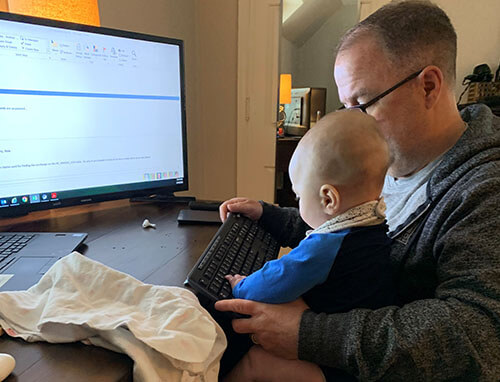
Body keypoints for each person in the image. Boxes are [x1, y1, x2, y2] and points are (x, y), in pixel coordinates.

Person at [215, 1, 500, 380]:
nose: (352, 123)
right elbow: (346, 234)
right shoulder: (390, 163)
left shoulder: (484, 190)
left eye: (362, 104)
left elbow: (476, 334)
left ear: (428, 86)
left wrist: (306, 334)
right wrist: (272, 216)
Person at [224, 110, 395, 381]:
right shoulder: (372, 225)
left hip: (339, 371)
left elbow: (277, 277)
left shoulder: (329, 243)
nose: (297, 204)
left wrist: (241, 285)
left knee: (256, 360)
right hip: (357, 356)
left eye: (299, 196)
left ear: (329, 199)